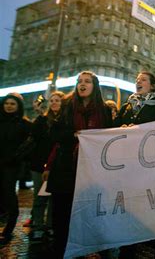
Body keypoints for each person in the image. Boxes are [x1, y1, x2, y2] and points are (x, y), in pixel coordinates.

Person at [46, 71, 113, 257]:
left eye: (87, 81)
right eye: (79, 82)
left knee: (90, 213)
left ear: (94, 86)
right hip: (66, 170)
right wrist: (73, 135)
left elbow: (109, 137)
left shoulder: (104, 110)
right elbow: (53, 134)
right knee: (62, 215)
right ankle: (62, 249)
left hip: (92, 172)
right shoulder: (67, 106)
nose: (82, 84)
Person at [115, 71, 155, 258]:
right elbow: (114, 126)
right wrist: (121, 129)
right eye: (137, 80)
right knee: (130, 210)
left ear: (153, 86)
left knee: (154, 209)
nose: (138, 82)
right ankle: (127, 250)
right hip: (129, 167)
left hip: (153, 167)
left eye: (142, 80)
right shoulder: (127, 106)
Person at [27, 91, 65, 240]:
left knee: (53, 198)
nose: (54, 103)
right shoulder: (42, 120)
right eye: (52, 100)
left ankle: (50, 226)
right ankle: (37, 225)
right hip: (39, 166)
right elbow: (33, 140)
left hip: (58, 166)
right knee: (39, 197)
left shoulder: (65, 122)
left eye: (58, 100)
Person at [0, 93, 32, 243]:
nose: (9, 106)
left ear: (18, 106)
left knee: (9, 192)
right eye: (7, 103)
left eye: (13, 104)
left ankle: (10, 226)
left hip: (11, 165)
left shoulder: (24, 124)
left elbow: (30, 143)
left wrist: (17, 157)